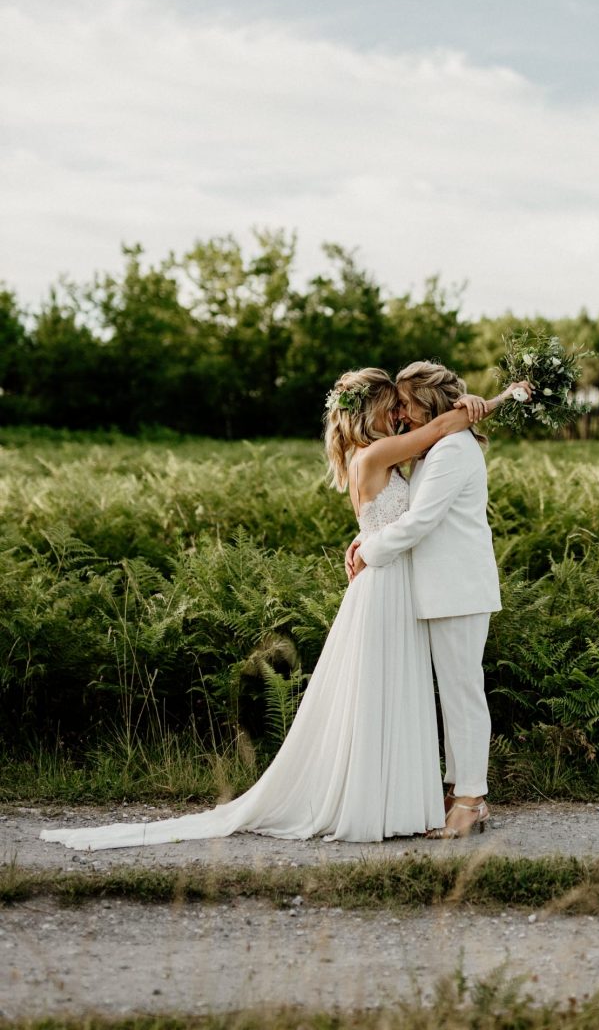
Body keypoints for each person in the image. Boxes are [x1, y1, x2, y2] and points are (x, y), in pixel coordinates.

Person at [40, 368, 520, 851]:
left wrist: (479, 403)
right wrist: (492, 400)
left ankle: (449, 797)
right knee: (389, 690)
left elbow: (415, 501)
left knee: (429, 692)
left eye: (407, 404)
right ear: (370, 411)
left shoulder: (425, 450)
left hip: (419, 586)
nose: (400, 413)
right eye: (393, 405)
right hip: (392, 587)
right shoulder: (386, 452)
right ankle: (414, 797)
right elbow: (425, 465)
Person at [346, 361, 507, 839]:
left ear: (430, 403)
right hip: (440, 590)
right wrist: (362, 539)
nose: (402, 412)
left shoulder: (451, 452)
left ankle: (471, 801)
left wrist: (369, 552)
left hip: (457, 589)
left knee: (463, 695)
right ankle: (459, 789)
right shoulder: (434, 449)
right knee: (455, 694)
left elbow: (420, 522)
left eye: (408, 403)